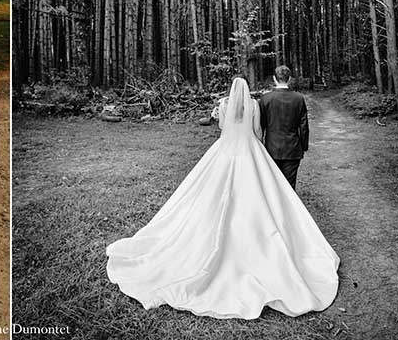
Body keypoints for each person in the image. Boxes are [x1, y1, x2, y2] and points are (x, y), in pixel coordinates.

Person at [105, 76, 339, 319]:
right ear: (247, 89)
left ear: (231, 90)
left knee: (207, 192)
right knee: (260, 193)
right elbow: (258, 131)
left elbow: (221, 128)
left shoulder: (224, 104)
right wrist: (255, 146)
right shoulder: (254, 105)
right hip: (249, 150)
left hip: (225, 151)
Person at [258, 65, 309, 189]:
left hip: (271, 147)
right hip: (293, 148)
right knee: (289, 186)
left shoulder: (265, 99)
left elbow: (261, 125)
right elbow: (303, 126)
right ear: (289, 78)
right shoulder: (299, 98)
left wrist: (261, 145)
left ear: (274, 79)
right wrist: (304, 146)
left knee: (273, 184)